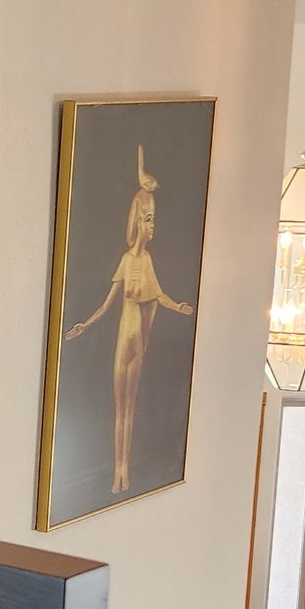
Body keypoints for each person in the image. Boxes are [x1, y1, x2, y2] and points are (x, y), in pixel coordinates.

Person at [66, 145, 195, 495]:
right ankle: (117, 471)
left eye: (153, 219)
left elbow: (160, 295)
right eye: (149, 219)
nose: (153, 226)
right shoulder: (128, 260)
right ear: (138, 220)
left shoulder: (148, 263)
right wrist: (85, 325)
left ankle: (123, 470)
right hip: (123, 339)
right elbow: (108, 304)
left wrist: (180, 308)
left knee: (131, 407)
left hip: (138, 343)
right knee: (118, 406)